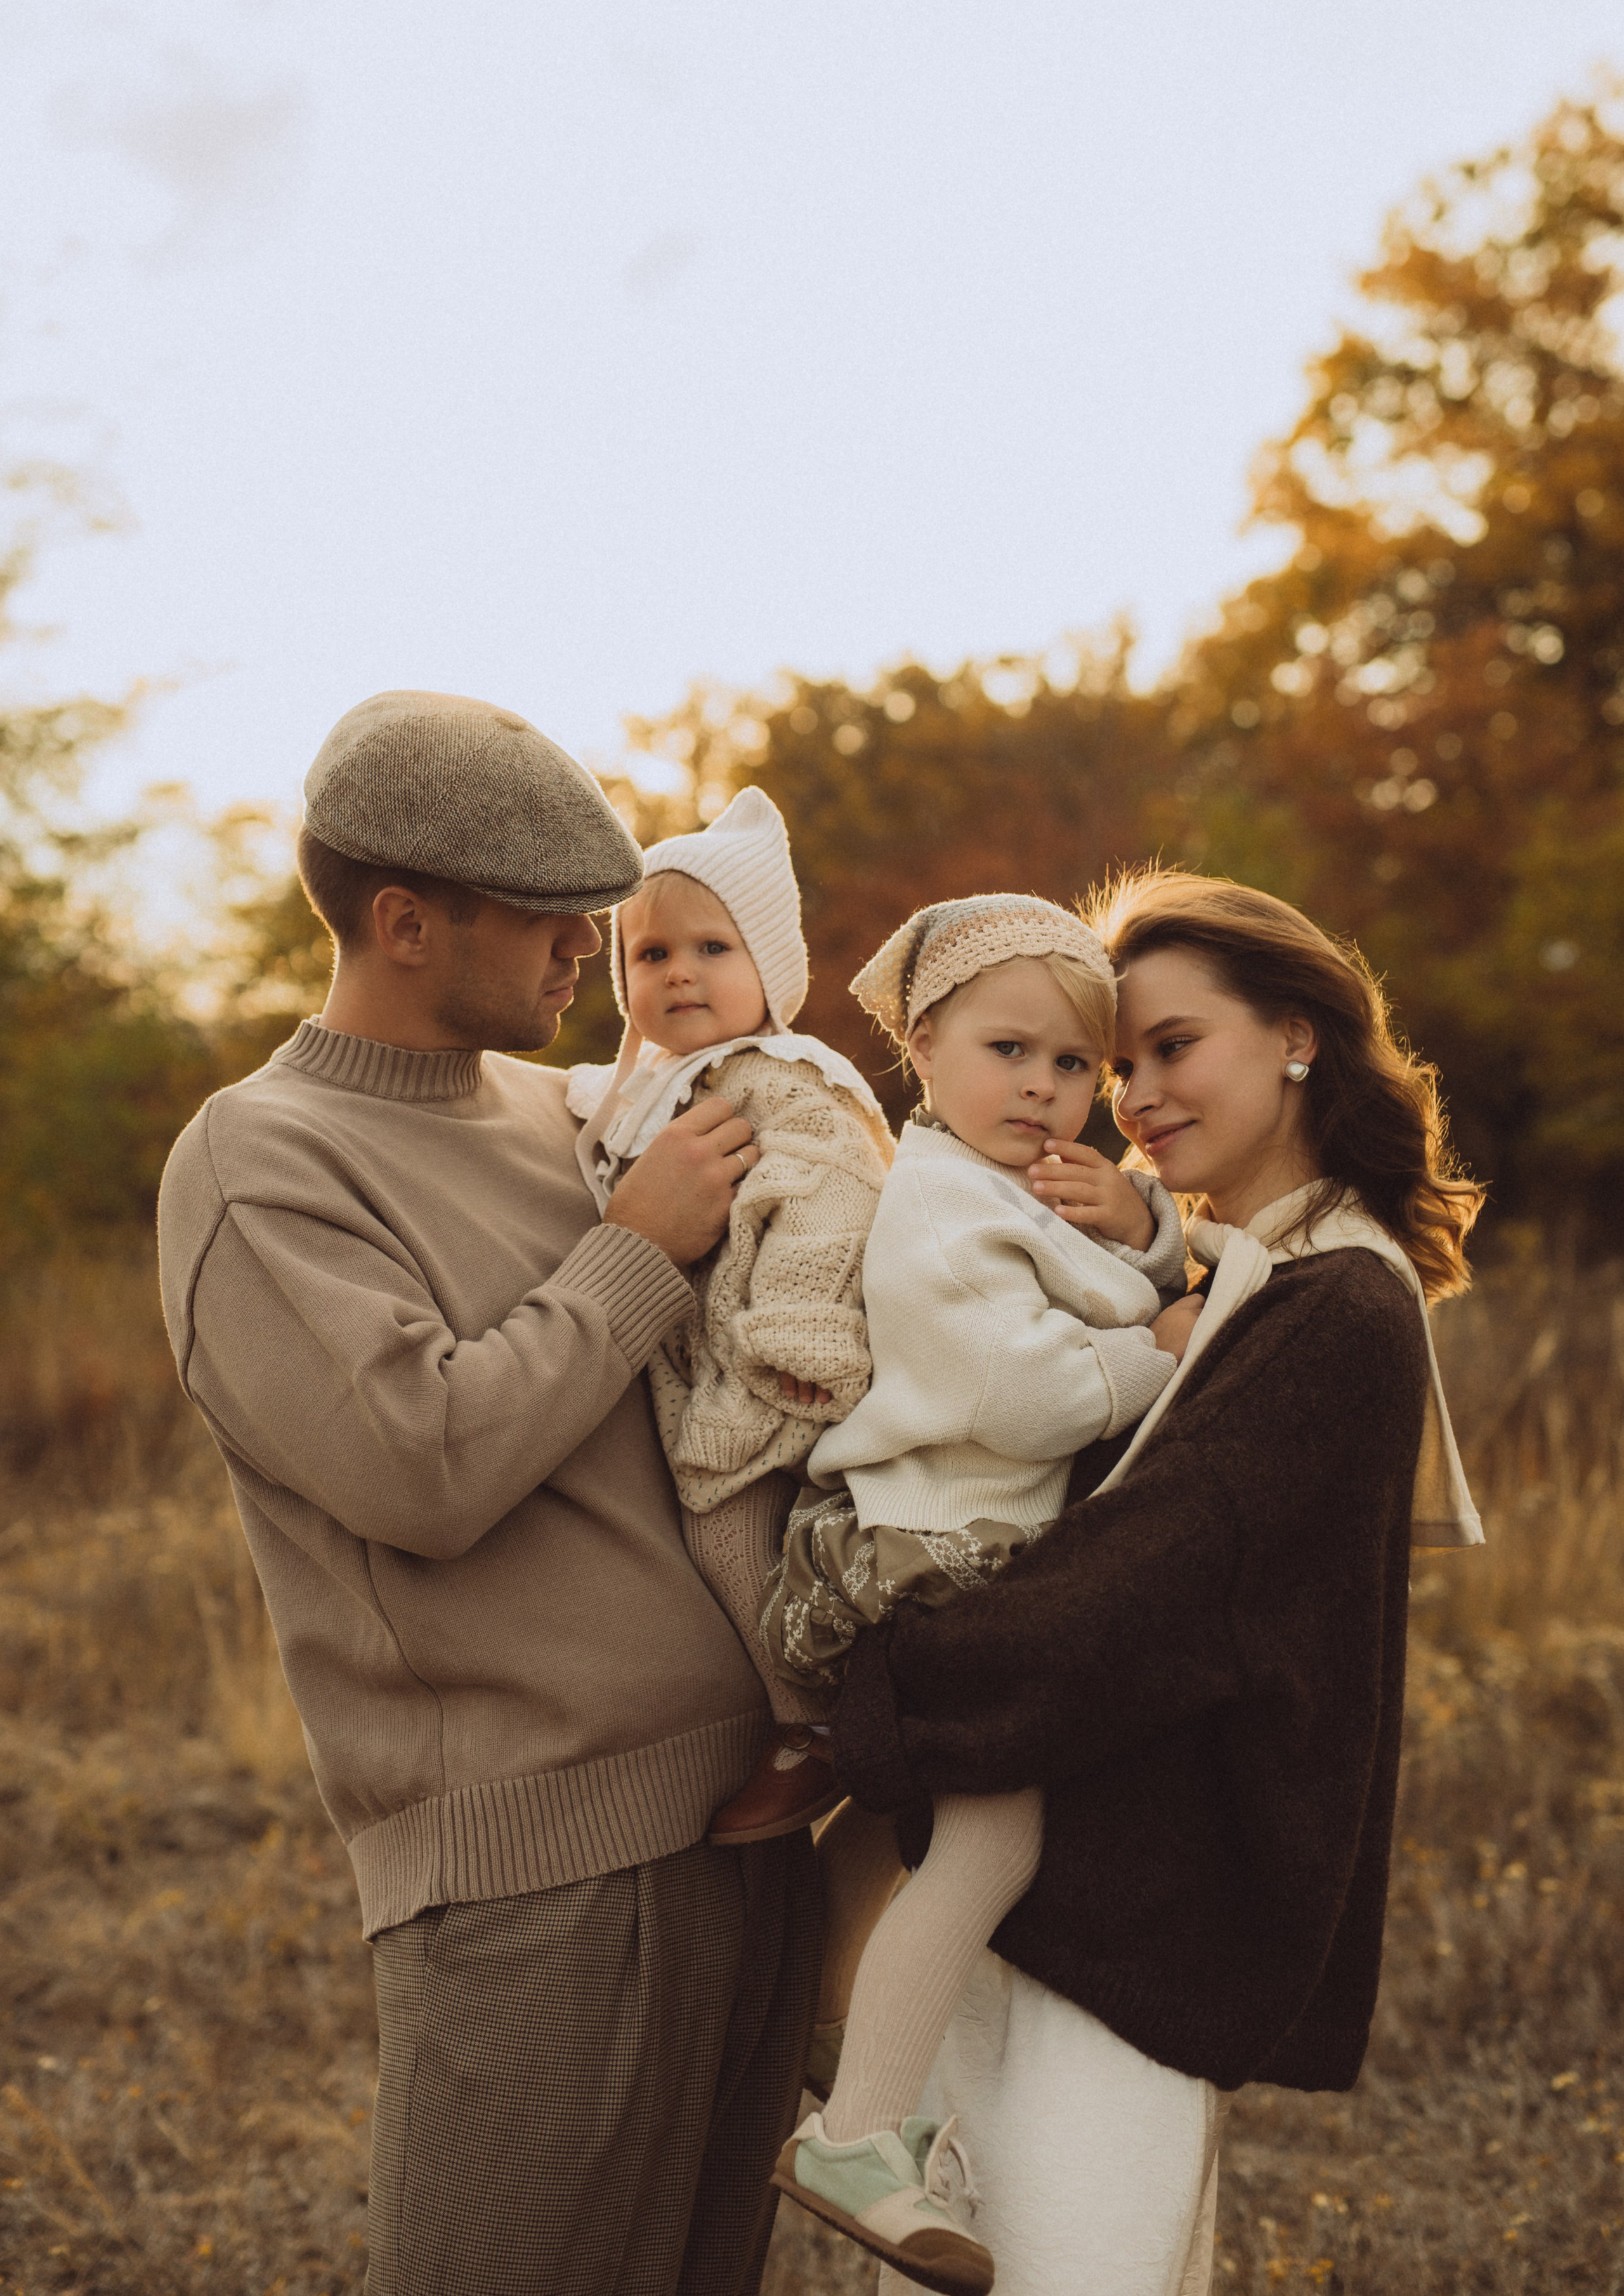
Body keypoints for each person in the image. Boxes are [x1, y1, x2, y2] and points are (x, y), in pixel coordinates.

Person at [155, 691, 818, 2296]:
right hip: (535, 1878)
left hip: (755, 1833)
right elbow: (420, 1466)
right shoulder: (261, 1161)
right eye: (549, 921)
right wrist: (633, 1250)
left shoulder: (574, 1111)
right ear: (401, 920)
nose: (593, 954)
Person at [828, 869, 1484, 2296]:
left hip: (1131, 1929)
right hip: (1035, 1882)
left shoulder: (1334, 1308)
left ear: (1296, 1035)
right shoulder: (1232, 1272)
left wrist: (847, 1704)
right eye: (1110, 1064)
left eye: (1166, 1047)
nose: (1127, 1096)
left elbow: (1124, 1605)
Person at [762, 895, 1190, 2292]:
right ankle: (859, 2129)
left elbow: (1096, 1281)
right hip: (950, 1563)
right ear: (923, 1045)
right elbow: (1022, 1390)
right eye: (1008, 1050)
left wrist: (1138, 1228)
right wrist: (1165, 1355)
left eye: (1074, 1066)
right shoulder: (939, 1202)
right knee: (992, 1846)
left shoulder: (1001, 1187)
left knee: (898, 1831)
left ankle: (817, 2019)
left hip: (946, 1554)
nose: (1044, 1089)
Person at [566, 786, 893, 1842]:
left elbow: (833, 1199)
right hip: (710, 1357)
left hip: (783, 1356)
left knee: (727, 1524)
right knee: (780, 1536)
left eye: (712, 947)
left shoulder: (786, 1080)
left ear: (770, 971)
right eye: (651, 956)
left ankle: (818, 1731)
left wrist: (799, 1336)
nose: (680, 974)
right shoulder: (665, 1082)